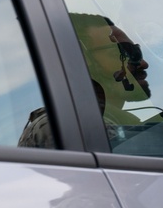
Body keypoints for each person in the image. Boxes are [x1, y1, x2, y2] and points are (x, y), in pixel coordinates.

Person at [19, 12, 150, 148]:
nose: (143, 63)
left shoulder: (123, 126)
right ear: (81, 65)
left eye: (136, 52)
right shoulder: (64, 127)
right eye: (121, 54)